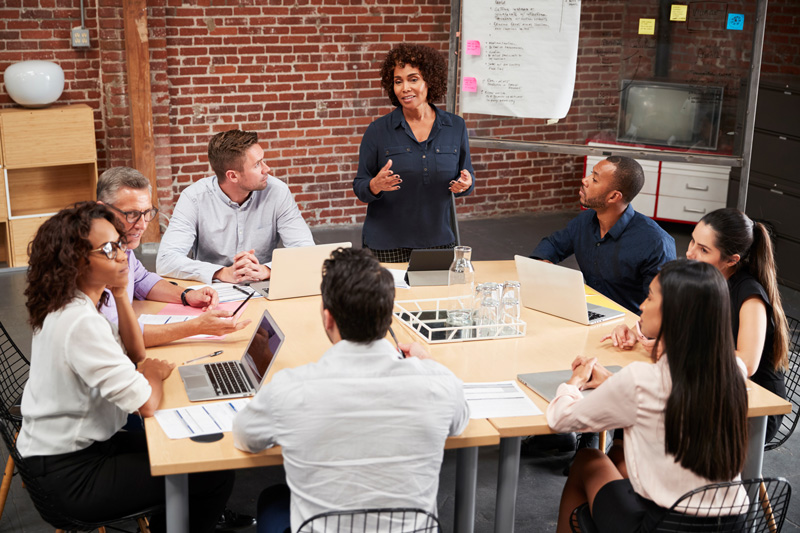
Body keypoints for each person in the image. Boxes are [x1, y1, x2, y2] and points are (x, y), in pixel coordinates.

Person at [18, 202, 234, 533]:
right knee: (210, 472)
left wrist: (120, 294)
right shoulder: (79, 321)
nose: (121, 255)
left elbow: (135, 353)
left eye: (118, 244)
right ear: (75, 260)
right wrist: (152, 373)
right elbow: (146, 403)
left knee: (198, 458)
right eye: (108, 249)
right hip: (70, 476)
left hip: (78, 450)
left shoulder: (75, 300)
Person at [232, 247, 469, 532]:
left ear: (328, 318)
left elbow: (245, 436)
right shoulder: (436, 383)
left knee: (273, 499)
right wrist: (429, 364)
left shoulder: (292, 388)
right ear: (388, 317)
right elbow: (459, 421)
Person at [549, 259, 749, 533]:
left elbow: (560, 419)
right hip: (732, 524)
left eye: (650, 297)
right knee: (623, 454)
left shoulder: (642, 380)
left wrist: (576, 380)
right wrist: (614, 383)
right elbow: (666, 396)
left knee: (588, 460)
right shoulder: (735, 371)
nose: (641, 305)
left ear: (674, 312)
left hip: (662, 526)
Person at [608, 208, 789, 442]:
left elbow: (747, 363)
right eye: (693, 241)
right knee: (634, 408)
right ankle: (622, 470)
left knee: (642, 410)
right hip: (707, 386)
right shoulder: (701, 278)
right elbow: (667, 316)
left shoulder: (749, 295)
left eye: (703, 249)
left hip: (751, 407)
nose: (690, 253)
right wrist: (636, 331)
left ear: (731, 260)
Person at [97, 167, 250, 347]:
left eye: (147, 214)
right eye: (131, 214)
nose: (142, 225)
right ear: (102, 210)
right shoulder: (97, 262)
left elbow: (141, 279)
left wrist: (187, 295)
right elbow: (118, 336)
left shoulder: (121, 244)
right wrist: (197, 326)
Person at [353, 43, 475, 263]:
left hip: (439, 242)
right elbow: (360, 185)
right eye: (398, 81)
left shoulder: (455, 127)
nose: (404, 88)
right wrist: (375, 185)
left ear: (429, 80)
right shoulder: (378, 131)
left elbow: (466, 177)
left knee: (439, 298)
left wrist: (465, 184)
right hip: (386, 244)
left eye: (413, 79)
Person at [156, 129, 315, 283]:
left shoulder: (277, 192)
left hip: (262, 284)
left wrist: (267, 270)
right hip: (213, 287)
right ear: (233, 176)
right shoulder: (193, 198)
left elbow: (307, 251)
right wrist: (222, 273)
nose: (267, 169)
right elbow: (166, 261)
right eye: (257, 165)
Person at [529, 156, 675, 314]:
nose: (585, 180)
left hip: (628, 329)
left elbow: (660, 307)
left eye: (595, 179)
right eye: (591, 174)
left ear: (613, 197)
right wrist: (542, 263)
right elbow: (553, 244)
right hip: (589, 312)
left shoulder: (656, 243)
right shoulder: (585, 221)